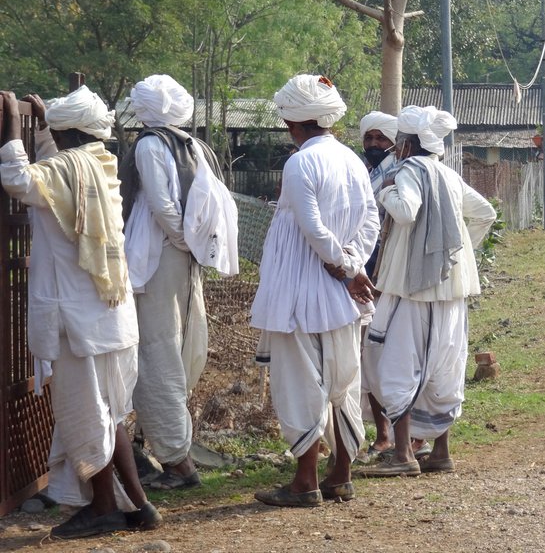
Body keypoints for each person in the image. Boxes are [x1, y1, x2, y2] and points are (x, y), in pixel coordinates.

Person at [0, 87, 160, 538]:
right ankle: (140, 506)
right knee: (109, 415)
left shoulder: (68, 170)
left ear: (67, 134)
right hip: (111, 316)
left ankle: (105, 508)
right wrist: (50, 128)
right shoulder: (97, 164)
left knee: (87, 417)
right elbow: (54, 171)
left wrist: (13, 123)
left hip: (80, 322)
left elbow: (17, 178)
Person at [250, 74, 379, 506]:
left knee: (300, 383)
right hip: (340, 297)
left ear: (292, 122)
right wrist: (353, 266)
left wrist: (344, 267)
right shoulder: (353, 160)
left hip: (300, 294)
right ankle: (339, 474)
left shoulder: (299, 163)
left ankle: (305, 482)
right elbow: (371, 222)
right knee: (341, 381)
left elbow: (312, 227)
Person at [359, 105, 496, 477]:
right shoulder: (448, 175)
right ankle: (440, 452)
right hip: (453, 289)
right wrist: (462, 253)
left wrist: (385, 192)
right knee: (444, 367)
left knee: (395, 364)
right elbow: (485, 213)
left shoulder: (409, 171)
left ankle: (402, 454)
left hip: (410, 288)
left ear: (405, 144)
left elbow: (405, 211)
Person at [120, 74, 238, 490]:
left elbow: (162, 205)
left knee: (156, 353)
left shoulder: (151, 145)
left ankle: (177, 462)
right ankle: (171, 449)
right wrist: (190, 244)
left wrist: (179, 240)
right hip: (182, 257)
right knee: (176, 345)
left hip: (155, 258)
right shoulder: (193, 145)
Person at [357, 111, 431, 463]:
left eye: (380, 138)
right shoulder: (369, 171)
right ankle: (388, 436)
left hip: (388, 275)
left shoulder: (397, 173)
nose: (373, 144)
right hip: (369, 272)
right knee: (373, 359)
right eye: (368, 138)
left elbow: (393, 215)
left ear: (397, 143)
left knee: (390, 356)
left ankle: (404, 439)